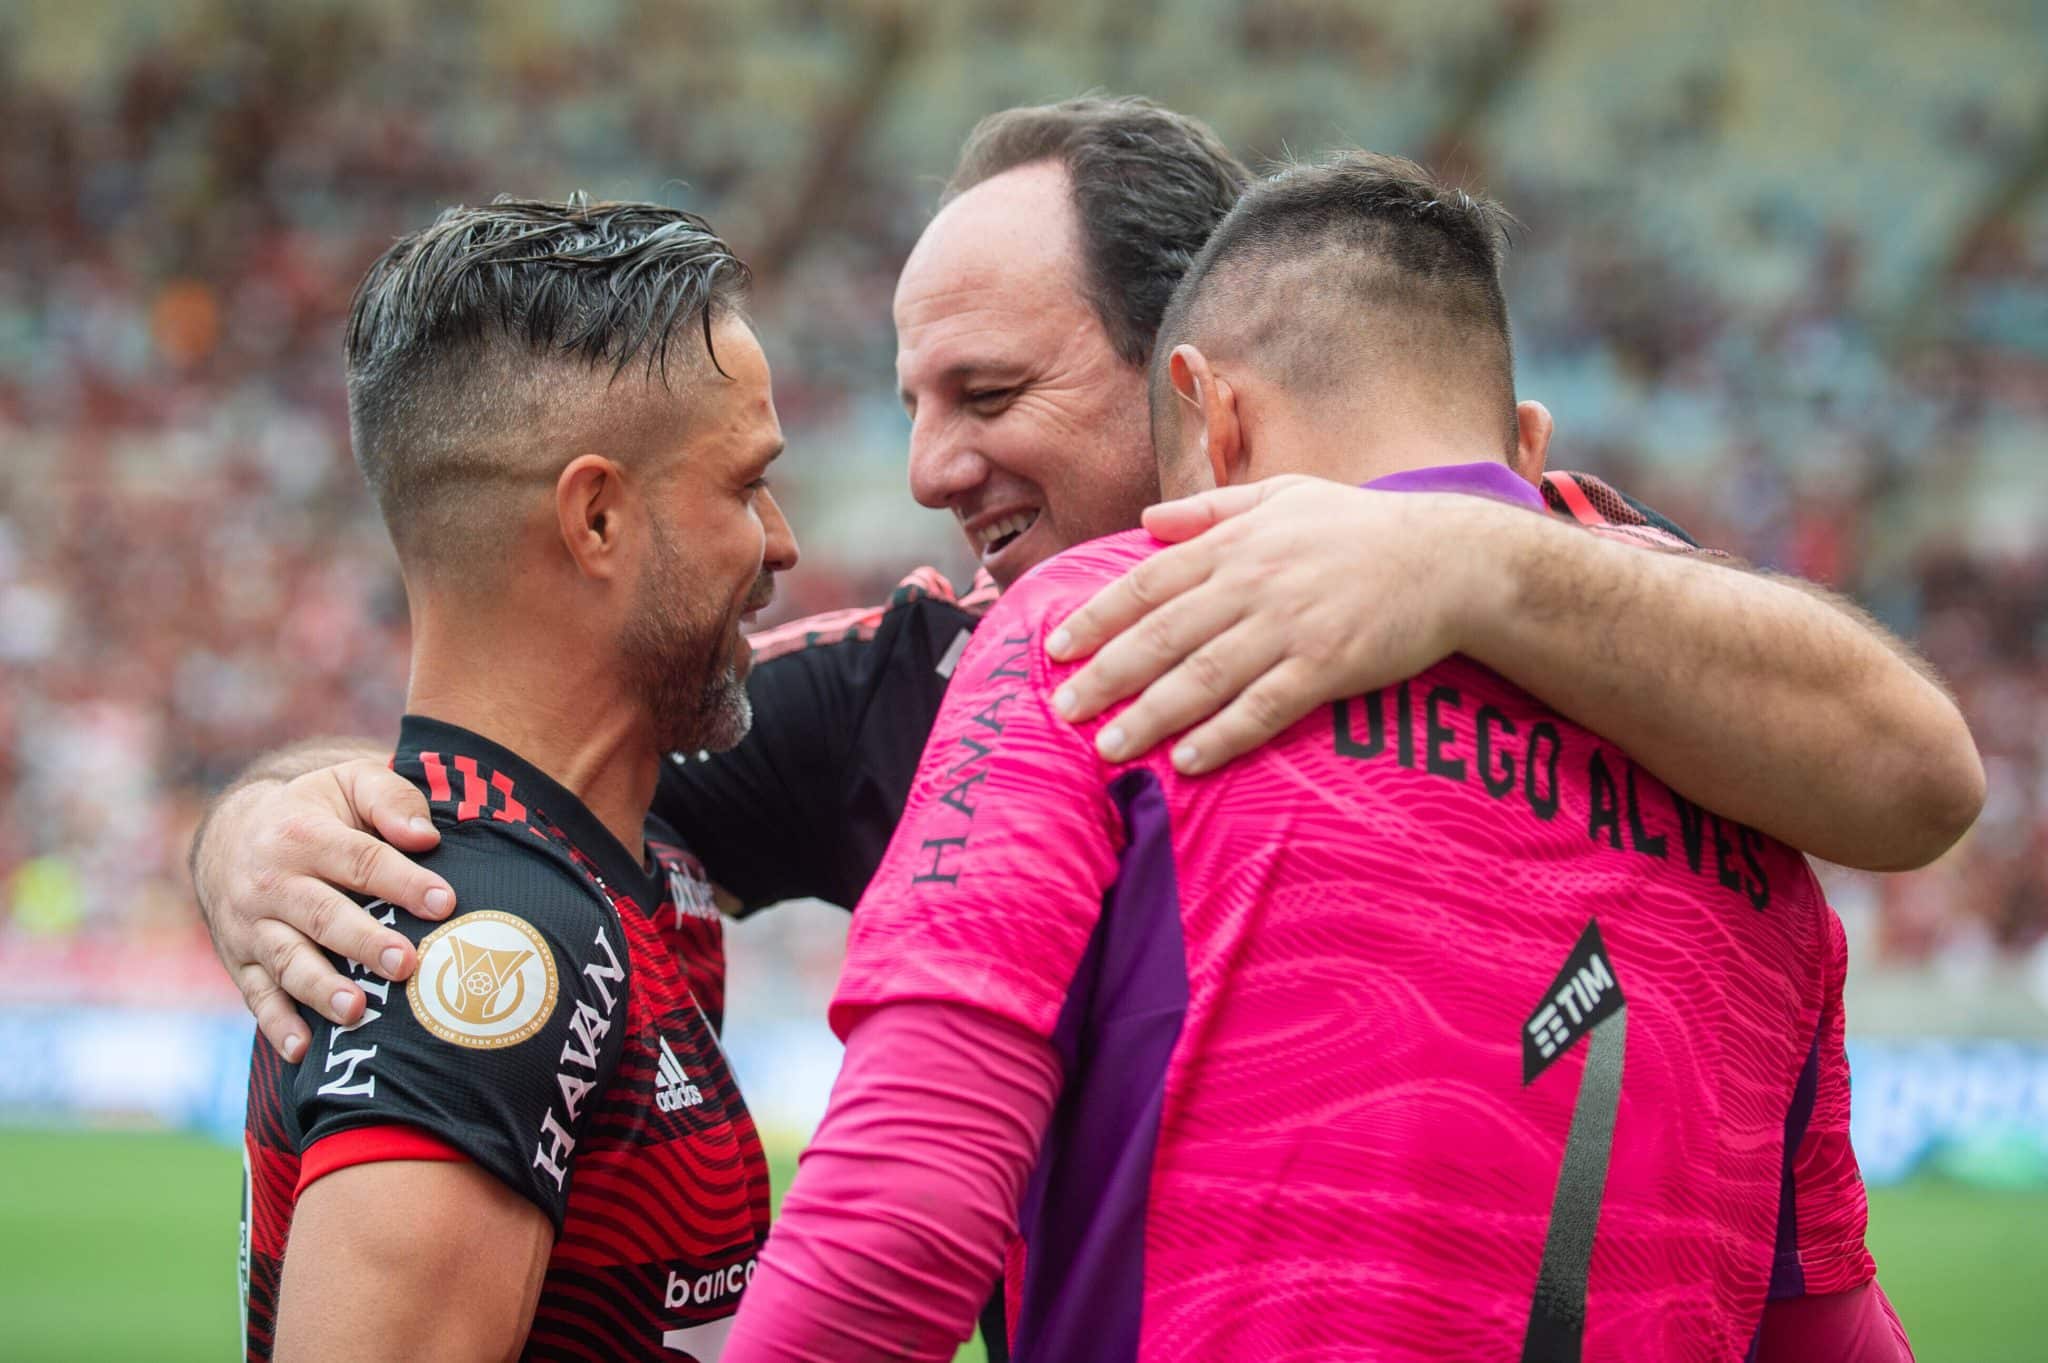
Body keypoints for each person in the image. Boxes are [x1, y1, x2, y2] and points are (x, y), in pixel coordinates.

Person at [196, 97, 1969, 1360]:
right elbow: (539, 759)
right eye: (909, 401)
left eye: (988, 393)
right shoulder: (938, 668)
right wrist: (267, 818)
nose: (922, 470)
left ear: (1191, 372)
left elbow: (1910, 767)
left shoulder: (1580, 609)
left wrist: (1458, 564)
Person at [724, 153, 1914, 1363]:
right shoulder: (1750, 771)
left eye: (985, 391)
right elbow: (1825, 1325)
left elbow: (899, 1212)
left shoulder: (1103, 626)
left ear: (1205, 411)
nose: (930, 469)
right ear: (1524, 448)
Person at [241, 197, 796, 1362]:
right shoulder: (488, 939)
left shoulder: (603, 863)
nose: (781, 542)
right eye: (745, 486)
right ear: (596, 516)